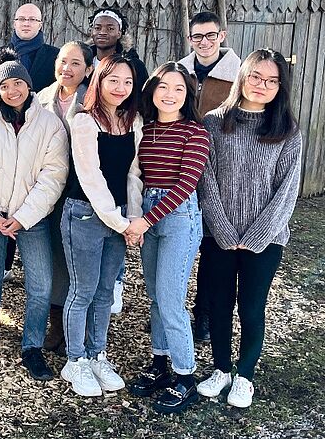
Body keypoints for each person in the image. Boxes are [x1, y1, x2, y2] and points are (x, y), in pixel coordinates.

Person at [197, 49, 301, 409]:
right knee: (219, 304)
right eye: (256, 76)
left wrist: (257, 236)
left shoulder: (287, 131)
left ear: (280, 87)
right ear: (243, 76)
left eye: (272, 81)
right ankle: (221, 369)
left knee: (252, 307)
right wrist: (223, 230)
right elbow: (205, 181)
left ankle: (245, 375)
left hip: (266, 239)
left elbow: (287, 190)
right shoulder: (214, 123)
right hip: (219, 235)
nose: (262, 85)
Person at [0, 50, 69, 380]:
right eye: (5, 86)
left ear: (28, 85)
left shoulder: (50, 124)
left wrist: (23, 217)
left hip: (31, 218)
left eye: (18, 83)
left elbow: (54, 175)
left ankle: (32, 346)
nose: (12, 91)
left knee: (41, 283)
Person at [124, 63, 210, 414]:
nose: (170, 94)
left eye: (178, 88)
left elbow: (186, 184)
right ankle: (160, 364)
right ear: (152, 90)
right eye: (163, 86)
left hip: (179, 218)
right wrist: (138, 217)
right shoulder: (144, 128)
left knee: (171, 300)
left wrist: (144, 221)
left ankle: (185, 376)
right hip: (147, 211)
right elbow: (136, 176)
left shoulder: (195, 132)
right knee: (156, 298)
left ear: (188, 94)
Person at [60, 54, 143, 397]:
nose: (121, 88)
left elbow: (134, 174)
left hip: (119, 217)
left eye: (127, 82)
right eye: (114, 80)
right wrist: (120, 223)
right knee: (83, 290)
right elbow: (91, 179)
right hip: (85, 214)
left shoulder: (132, 121)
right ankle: (75, 360)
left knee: (106, 291)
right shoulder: (84, 121)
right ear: (99, 81)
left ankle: (97, 355)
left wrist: (133, 219)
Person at [177, 11, 241, 343]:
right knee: (177, 245)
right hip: (181, 166)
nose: (204, 42)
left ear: (222, 36)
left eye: (210, 35)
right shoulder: (179, 71)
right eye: (197, 36)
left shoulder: (237, 75)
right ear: (190, 39)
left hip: (219, 168)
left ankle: (203, 313)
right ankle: (171, 312)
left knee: (212, 248)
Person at [87, 6, 148, 312]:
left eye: (110, 27)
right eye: (98, 27)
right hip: (91, 139)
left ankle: (117, 281)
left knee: (120, 196)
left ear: (120, 32)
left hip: (121, 137)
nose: (103, 32)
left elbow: (141, 101)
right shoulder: (85, 59)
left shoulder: (133, 65)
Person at [35, 41, 94, 355]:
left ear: (88, 69)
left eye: (75, 63)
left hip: (78, 192)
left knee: (73, 260)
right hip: (44, 189)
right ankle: (55, 324)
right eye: (62, 61)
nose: (66, 69)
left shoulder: (93, 99)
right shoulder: (40, 98)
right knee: (51, 258)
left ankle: (77, 329)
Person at [0, 3, 60, 108]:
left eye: (32, 19)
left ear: (40, 25)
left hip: (42, 115)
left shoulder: (56, 56)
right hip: (2, 116)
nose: (26, 23)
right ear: (15, 24)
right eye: (21, 19)